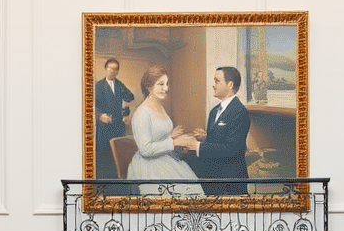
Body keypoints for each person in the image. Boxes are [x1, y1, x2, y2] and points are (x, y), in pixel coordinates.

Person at [126, 65, 205, 197]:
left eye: (167, 84)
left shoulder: (160, 107)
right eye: (161, 84)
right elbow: (145, 149)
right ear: (149, 86)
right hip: (149, 165)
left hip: (166, 157)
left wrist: (175, 138)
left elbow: (158, 135)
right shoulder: (141, 114)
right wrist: (173, 142)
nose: (166, 88)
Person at [184, 66, 251, 196]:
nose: (213, 85)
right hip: (212, 178)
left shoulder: (239, 112)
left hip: (230, 181)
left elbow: (232, 149)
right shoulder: (214, 111)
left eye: (217, 81)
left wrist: (198, 146)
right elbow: (220, 140)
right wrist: (206, 138)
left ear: (230, 84)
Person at [94, 57, 135, 181]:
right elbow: (92, 105)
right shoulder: (99, 85)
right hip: (104, 126)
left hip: (117, 125)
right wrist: (99, 116)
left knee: (117, 154)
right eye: (111, 68)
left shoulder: (119, 84)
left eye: (116, 69)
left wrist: (125, 104)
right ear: (106, 69)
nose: (113, 71)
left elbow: (130, 97)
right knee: (104, 155)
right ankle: (105, 182)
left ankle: (117, 179)